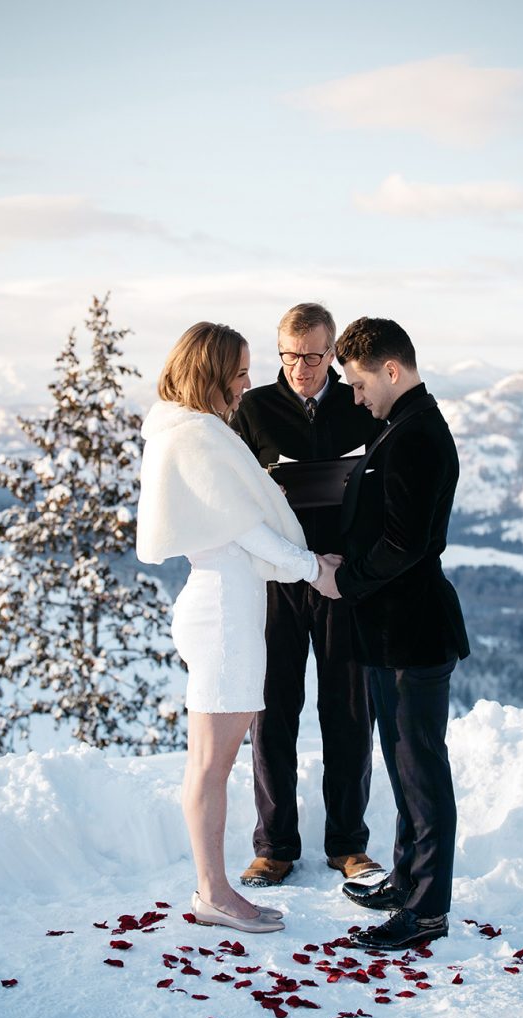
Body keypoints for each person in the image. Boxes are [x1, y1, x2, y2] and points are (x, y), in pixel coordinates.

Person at [136, 321, 332, 934]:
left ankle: (212, 889)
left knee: (209, 761)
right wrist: (313, 568)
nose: (248, 384)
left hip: (221, 603)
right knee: (212, 764)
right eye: (240, 372)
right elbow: (244, 526)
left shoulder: (187, 432)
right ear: (212, 373)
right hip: (224, 612)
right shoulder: (198, 437)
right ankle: (215, 893)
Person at [313, 316, 470, 950]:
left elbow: (406, 543)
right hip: (389, 632)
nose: (355, 397)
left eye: (358, 384)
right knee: (405, 771)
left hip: (413, 632)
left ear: (392, 370)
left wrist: (344, 581)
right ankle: (406, 882)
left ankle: (427, 911)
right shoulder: (401, 426)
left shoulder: (416, 436)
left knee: (421, 774)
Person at [233, 303, 384, 887]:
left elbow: (383, 484)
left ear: (332, 353)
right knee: (272, 713)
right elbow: (234, 495)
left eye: (314, 356)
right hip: (276, 582)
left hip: (343, 581)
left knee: (348, 711)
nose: (300, 368)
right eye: (290, 356)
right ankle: (274, 846)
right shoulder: (254, 409)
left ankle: (348, 844)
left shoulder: (357, 404)